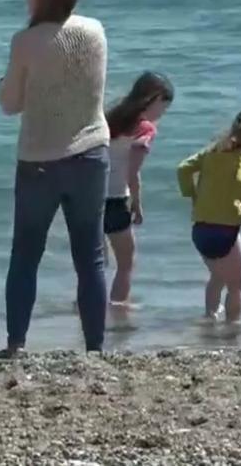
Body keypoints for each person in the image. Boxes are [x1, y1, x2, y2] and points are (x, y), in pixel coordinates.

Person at [0, 0, 109, 355]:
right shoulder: (95, 32)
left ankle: (16, 345)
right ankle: (95, 346)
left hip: (40, 160)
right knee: (90, 256)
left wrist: (3, 85)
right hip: (91, 152)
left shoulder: (26, 41)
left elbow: (10, 104)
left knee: (26, 254)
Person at [177, 107, 241, 325]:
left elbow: (183, 169)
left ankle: (210, 319)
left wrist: (191, 194)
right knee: (236, 285)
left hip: (200, 230)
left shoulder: (212, 151)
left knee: (217, 277)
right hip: (224, 230)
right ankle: (233, 329)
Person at [103, 72, 175, 310]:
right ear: (153, 100)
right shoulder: (145, 129)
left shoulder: (108, 118)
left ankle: (86, 306)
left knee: (93, 262)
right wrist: (137, 204)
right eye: (162, 109)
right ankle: (117, 310)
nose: (160, 116)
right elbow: (132, 173)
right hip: (115, 199)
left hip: (89, 197)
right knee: (126, 262)